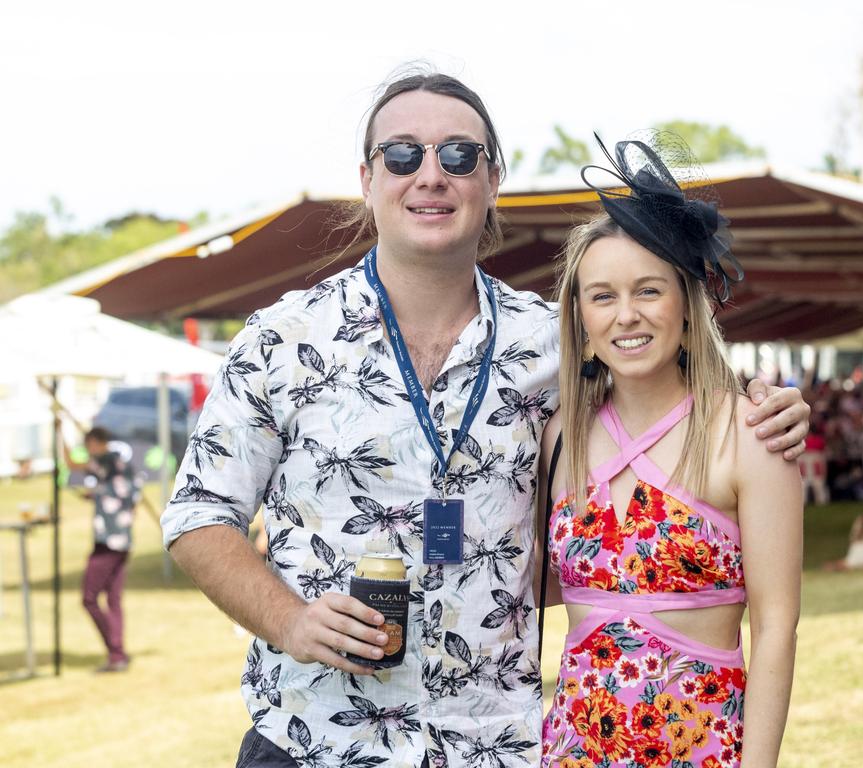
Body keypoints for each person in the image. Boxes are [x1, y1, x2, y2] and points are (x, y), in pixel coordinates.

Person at [161, 69, 812, 768]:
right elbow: (197, 514)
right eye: (403, 154)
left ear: (493, 177)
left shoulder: (554, 345)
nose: (431, 175)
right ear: (367, 178)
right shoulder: (283, 338)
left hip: (493, 744)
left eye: (460, 155)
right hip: (318, 737)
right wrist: (288, 620)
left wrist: (763, 403)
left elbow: (660, 367)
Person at [538, 134, 802, 768]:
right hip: (574, 748)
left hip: (701, 749)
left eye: (648, 290)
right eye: (603, 296)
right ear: (579, 316)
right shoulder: (559, 437)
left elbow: (774, 630)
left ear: (687, 303)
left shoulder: (751, 433)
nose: (626, 315)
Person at [62, 425, 137, 672]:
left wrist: (60, 431)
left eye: (87, 446)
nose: (87, 452)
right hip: (123, 541)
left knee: (89, 597)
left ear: (95, 442)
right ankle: (118, 654)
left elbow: (72, 464)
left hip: (108, 541)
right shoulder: (123, 466)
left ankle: (115, 651)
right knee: (113, 600)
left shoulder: (106, 462)